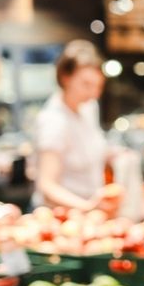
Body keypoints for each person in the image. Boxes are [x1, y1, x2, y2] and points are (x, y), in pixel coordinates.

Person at [32, 40, 118, 214]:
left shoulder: (88, 108)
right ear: (65, 77)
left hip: (89, 213)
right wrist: (87, 207)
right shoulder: (53, 121)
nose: (93, 93)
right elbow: (47, 185)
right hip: (60, 216)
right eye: (86, 85)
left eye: (98, 86)